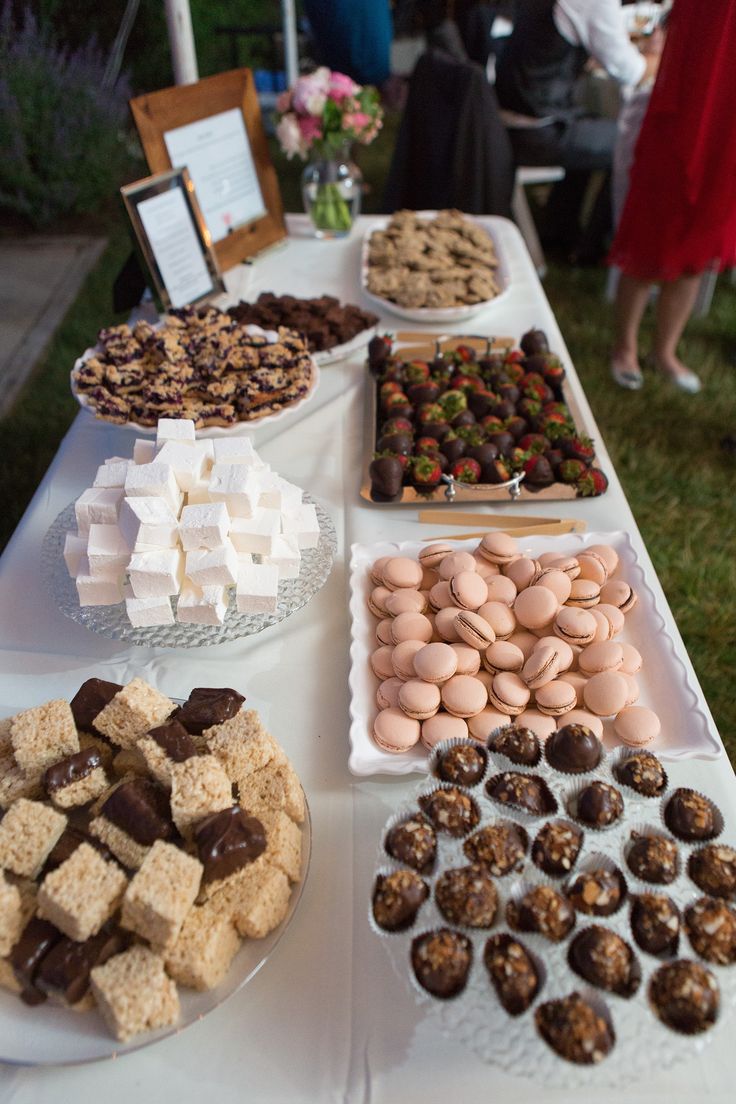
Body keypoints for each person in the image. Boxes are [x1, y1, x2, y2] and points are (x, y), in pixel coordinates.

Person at [609, 0, 736, 392]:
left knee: (701, 245)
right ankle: (625, 347)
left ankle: (665, 350)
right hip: (683, 112)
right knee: (652, 233)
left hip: (729, 128)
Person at [494, 1, 658, 257]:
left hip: (507, 117)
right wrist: (657, 57)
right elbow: (630, 72)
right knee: (633, 138)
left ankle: (561, 233)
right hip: (535, 130)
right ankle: (596, 249)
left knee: (594, 123)